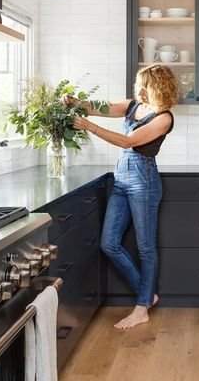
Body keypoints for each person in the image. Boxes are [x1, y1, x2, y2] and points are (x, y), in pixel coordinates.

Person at [62, 64, 177, 329]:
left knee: (146, 247)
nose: (138, 90)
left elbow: (128, 142)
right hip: (122, 179)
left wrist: (88, 127)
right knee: (109, 243)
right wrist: (75, 102)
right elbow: (97, 108)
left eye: (143, 86)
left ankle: (141, 309)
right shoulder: (132, 106)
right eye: (138, 85)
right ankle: (147, 294)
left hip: (143, 180)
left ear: (157, 88)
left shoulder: (164, 118)